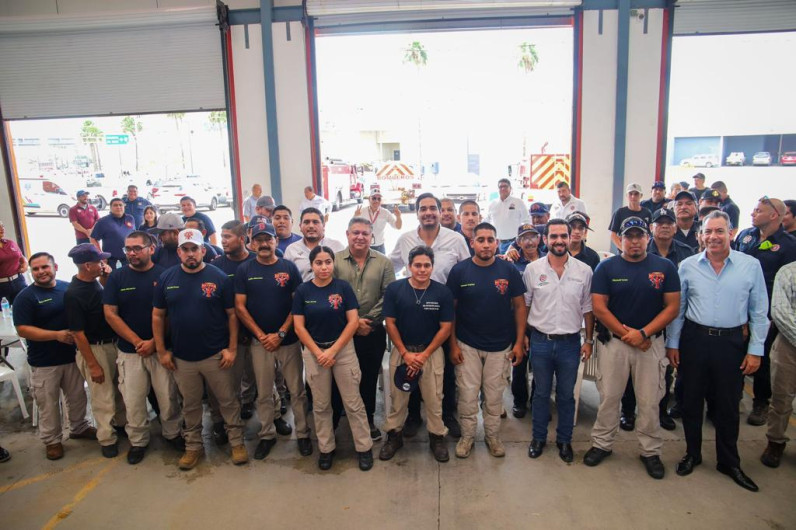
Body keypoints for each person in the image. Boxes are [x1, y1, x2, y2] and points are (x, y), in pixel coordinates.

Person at [666, 211, 768, 492]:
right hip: (694, 340)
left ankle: (729, 461)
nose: (713, 237)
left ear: (731, 233)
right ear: (700, 236)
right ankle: (692, 453)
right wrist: (673, 344)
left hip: (732, 344)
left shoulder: (750, 266)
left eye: (719, 231)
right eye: (708, 232)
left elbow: (759, 312)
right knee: (691, 402)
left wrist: (756, 350)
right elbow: (678, 310)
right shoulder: (687, 266)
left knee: (726, 405)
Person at [584, 217, 680, 479]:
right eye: (629, 236)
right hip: (615, 344)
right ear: (620, 239)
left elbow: (672, 307)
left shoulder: (665, 267)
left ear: (647, 237)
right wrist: (629, 335)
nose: (634, 241)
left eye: (639, 236)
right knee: (609, 398)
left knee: (649, 401)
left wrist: (644, 333)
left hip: (651, 344)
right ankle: (602, 443)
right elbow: (599, 307)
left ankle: (650, 451)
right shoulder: (606, 267)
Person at [153, 228, 248, 470]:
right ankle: (193, 447)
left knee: (228, 401)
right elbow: (157, 317)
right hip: (182, 357)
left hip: (216, 355)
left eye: (195, 249)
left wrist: (232, 349)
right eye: (185, 249)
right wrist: (162, 351)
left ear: (203, 251)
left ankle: (237, 443)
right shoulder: (167, 279)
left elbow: (232, 316)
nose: (190, 254)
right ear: (179, 252)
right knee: (191, 405)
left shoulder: (219, 278)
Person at [389, 193, 471, 438]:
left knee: (443, 371)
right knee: (410, 367)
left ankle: (446, 415)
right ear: (416, 213)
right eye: (423, 208)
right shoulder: (404, 240)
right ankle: (413, 416)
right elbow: (389, 267)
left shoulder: (455, 239)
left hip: (446, 315)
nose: (428, 212)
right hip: (412, 314)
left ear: (440, 211)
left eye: (432, 208)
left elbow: (468, 271)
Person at [103, 231, 183, 465]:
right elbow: (110, 313)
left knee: (168, 397)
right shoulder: (117, 278)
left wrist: (154, 343)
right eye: (128, 249)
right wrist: (137, 341)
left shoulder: (166, 275)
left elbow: (171, 313)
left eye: (137, 248)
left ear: (151, 248)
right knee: (133, 399)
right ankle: (138, 441)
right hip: (130, 352)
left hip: (161, 350)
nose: (132, 253)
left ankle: (173, 434)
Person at [448, 222, 526, 458]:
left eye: (490, 240)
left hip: (500, 345)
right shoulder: (459, 271)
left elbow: (520, 307)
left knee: (494, 397)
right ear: (472, 243)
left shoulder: (508, 271)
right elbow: (450, 311)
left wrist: (519, 342)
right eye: (480, 240)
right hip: (467, 344)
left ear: (496, 242)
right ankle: (468, 436)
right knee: (468, 395)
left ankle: (492, 437)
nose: (485, 244)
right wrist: (452, 344)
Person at [292, 246, 374, 471]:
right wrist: (319, 353)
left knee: (353, 402)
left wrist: (333, 351)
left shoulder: (343, 288)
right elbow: (299, 327)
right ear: (312, 265)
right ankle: (326, 449)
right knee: (320, 405)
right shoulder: (303, 291)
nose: (324, 267)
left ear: (333, 264)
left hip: (343, 350)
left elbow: (352, 322)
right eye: (319, 263)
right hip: (314, 352)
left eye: (328, 262)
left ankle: (364, 447)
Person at [234, 222, 311, 459]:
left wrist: (280, 333)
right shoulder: (245, 270)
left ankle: (303, 433)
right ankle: (266, 435)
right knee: (264, 392)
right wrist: (261, 335)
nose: (264, 244)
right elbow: (240, 306)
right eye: (259, 240)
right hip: (260, 344)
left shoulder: (288, 268)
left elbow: (297, 304)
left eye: (269, 239)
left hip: (287, 342)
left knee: (297, 390)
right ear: (252, 243)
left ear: (276, 242)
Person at [13, 252, 96, 460]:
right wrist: (56, 335)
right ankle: (52, 440)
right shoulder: (26, 297)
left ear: (55, 267)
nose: (41, 272)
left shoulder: (67, 288)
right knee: (47, 403)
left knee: (77, 396)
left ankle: (79, 428)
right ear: (31, 272)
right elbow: (22, 329)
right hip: (44, 362)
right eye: (36, 269)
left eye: (45, 267)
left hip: (71, 357)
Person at [619, 208, 695, 433]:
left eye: (668, 222)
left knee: (662, 374)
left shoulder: (686, 253)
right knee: (630, 375)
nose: (664, 226)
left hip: (669, 323)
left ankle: (660, 412)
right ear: (651, 229)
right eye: (659, 222)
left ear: (674, 226)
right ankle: (628, 411)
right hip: (634, 325)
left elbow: (679, 300)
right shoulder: (638, 250)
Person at [524, 219, 594, 463]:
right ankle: (538, 438)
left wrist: (589, 341)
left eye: (563, 236)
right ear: (546, 240)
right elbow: (525, 306)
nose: (559, 241)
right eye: (553, 236)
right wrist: (523, 337)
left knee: (566, 395)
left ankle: (565, 440)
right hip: (540, 341)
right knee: (541, 393)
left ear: (571, 237)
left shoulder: (584, 271)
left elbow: (588, 308)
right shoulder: (533, 270)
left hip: (570, 343)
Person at [380, 246, 454, 462]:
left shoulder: (442, 292)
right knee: (398, 398)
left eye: (427, 265)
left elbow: (445, 327)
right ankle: (394, 435)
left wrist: (424, 355)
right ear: (409, 266)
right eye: (417, 265)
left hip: (431, 353)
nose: (422, 269)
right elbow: (390, 323)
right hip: (402, 352)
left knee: (434, 398)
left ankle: (436, 437)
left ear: (432, 266)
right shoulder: (395, 289)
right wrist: (405, 353)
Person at [733, 197, 796, 426]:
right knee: (736, 354)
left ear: (773, 215)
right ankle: (734, 396)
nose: (753, 213)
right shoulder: (745, 236)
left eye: (759, 210)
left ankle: (761, 402)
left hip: (768, 312)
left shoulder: (789, 246)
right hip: (739, 307)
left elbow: (789, 283)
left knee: (762, 356)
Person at [334, 218, 396, 440]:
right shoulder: (334, 261)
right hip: (341, 332)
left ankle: (368, 418)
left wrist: (366, 321)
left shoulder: (384, 263)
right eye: (355, 233)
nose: (360, 237)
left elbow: (388, 295)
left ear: (372, 237)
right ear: (347, 234)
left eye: (365, 233)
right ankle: (345, 416)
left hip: (372, 331)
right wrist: (351, 322)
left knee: (368, 378)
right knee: (344, 377)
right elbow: (329, 294)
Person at [64, 243, 127, 458]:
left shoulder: (95, 283)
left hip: (112, 344)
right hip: (94, 349)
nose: (103, 264)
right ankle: (106, 437)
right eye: (99, 261)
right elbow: (78, 334)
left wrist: (106, 278)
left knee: (118, 390)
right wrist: (92, 364)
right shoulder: (74, 293)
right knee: (102, 395)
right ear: (88, 265)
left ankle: (120, 425)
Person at [761, 261, 796, 468]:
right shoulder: (788, 272)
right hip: (789, 344)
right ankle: (776, 441)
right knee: (782, 397)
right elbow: (781, 312)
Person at [509, 223, 545, 418]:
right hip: (520, 322)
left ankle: (538, 402)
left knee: (541, 366)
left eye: (533, 237)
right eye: (525, 238)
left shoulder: (549, 259)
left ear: (539, 239)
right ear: (519, 242)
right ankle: (519, 402)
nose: (530, 241)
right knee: (519, 363)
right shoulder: (513, 262)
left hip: (542, 322)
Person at [284, 207, 345, 281]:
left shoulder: (337, 247)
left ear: (323, 225)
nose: (311, 226)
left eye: (315, 222)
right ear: (300, 226)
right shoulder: (291, 250)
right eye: (306, 222)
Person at [485, 178, 531, 254]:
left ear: (510, 188)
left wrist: (522, 239)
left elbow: (526, 221)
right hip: (496, 244)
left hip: (514, 243)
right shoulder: (492, 204)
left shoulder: (518, 202)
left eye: (505, 186)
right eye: (500, 187)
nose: (503, 188)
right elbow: (487, 222)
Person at [90, 198, 135, 269]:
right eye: (115, 205)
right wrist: (100, 254)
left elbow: (134, 235)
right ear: (110, 208)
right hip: (111, 261)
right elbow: (93, 239)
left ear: (124, 207)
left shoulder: (130, 218)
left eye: (120, 205)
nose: (118, 207)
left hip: (129, 258)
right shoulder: (103, 222)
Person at [354, 188, 402, 254]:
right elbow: (353, 228)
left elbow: (398, 227)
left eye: (379, 199)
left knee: (381, 264)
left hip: (380, 247)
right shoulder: (362, 211)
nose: (376, 201)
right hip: (364, 246)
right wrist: (355, 216)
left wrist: (398, 217)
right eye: (374, 198)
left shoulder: (385, 213)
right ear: (369, 199)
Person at [608, 183, 652, 250]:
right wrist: (623, 249)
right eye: (630, 194)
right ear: (626, 195)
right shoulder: (619, 212)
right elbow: (613, 233)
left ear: (641, 195)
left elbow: (651, 233)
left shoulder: (647, 213)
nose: (633, 196)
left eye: (636, 194)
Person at [0, 220, 28, 304]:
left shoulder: (10, 243)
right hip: (2, 286)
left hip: (19, 281)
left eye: (2, 226)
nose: (2, 229)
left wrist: (25, 264)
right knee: (5, 313)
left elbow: (21, 257)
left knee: (25, 305)